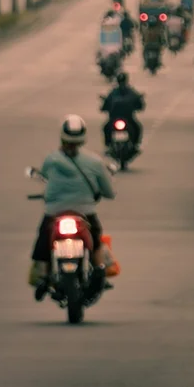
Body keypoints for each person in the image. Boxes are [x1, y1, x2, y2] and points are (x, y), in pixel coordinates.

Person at [29, 116, 115, 297]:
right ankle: (100, 270)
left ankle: (43, 275)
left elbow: (44, 177)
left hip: (54, 213)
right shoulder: (95, 162)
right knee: (96, 241)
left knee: (43, 240)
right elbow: (109, 192)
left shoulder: (51, 159)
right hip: (85, 214)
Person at [100, 72, 146, 147]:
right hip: (120, 118)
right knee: (106, 128)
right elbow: (106, 103)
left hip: (125, 118)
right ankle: (109, 144)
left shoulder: (117, 92)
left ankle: (134, 144)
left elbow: (139, 104)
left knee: (137, 128)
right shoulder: (125, 92)